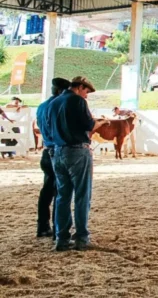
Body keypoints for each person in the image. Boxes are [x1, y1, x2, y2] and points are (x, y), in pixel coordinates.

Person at [50, 76, 106, 251]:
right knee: (82, 195)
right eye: (86, 91)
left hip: (57, 151)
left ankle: (61, 238)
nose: (86, 95)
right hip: (77, 150)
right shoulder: (78, 101)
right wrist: (100, 121)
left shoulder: (54, 102)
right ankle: (81, 237)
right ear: (80, 87)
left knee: (62, 196)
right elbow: (89, 125)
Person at [36, 78, 72, 239]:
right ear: (60, 91)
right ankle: (59, 229)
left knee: (47, 190)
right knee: (61, 191)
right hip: (57, 151)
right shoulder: (59, 106)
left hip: (46, 150)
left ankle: (43, 226)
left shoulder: (42, 106)